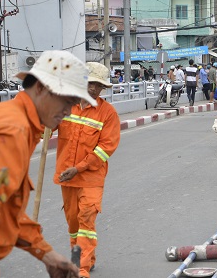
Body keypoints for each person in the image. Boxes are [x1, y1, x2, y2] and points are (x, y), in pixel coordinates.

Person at [0, 50, 96, 278]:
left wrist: (47, 255)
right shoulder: (14, 130)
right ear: (40, 88)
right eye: (66, 101)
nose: (69, 111)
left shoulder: (17, 122)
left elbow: (5, 205)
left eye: (74, 103)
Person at [54, 62, 121, 278]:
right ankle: (86, 258)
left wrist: (80, 167)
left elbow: (106, 148)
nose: (94, 89)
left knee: (86, 221)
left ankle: (80, 268)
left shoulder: (107, 113)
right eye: (91, 83)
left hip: (91, 177)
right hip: (67, 177)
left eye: (99, 86)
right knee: (73, 224)